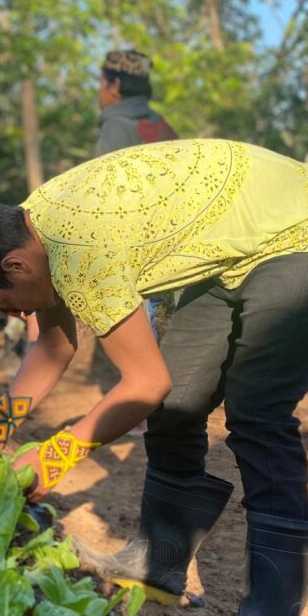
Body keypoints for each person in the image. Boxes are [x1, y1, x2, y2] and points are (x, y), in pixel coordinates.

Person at [0, 139, 308, 616]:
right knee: (181, 401)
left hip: (300, 230)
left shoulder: (79, 249)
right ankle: (159, 559)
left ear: (15, 265)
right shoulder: (32, 231)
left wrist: (56, 455)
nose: (18, 317)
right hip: (237, 248)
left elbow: (143, 384)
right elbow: (55, 348)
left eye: (7, 306)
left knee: (257, 412)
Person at [95, 48, 179, 434]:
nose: (98, 90)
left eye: (101, 82)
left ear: (114, 85)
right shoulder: (162, 125)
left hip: (134, 242)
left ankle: (137, 404)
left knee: (135, 321)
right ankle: (157, 400)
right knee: (159, 319)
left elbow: (103, 189)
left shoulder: (116, 126)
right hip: (171, 239)